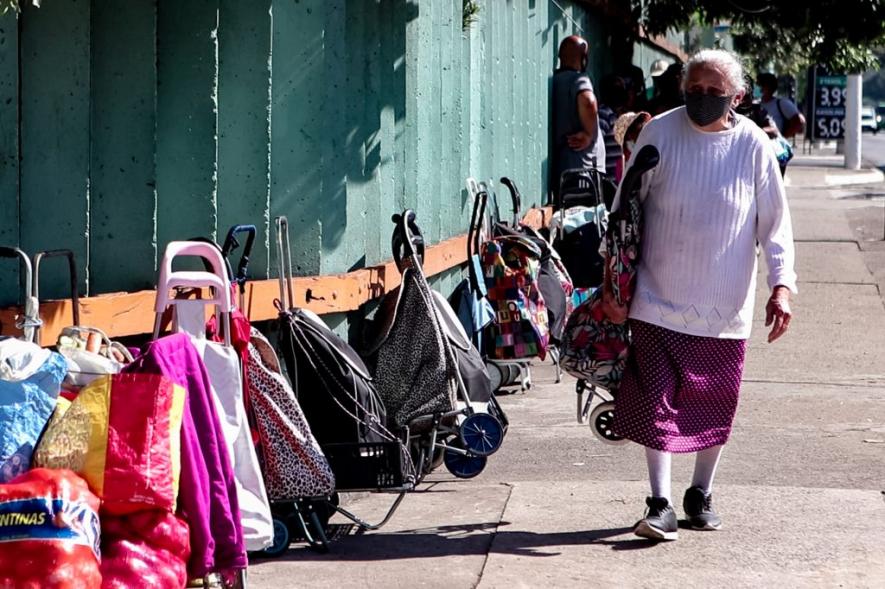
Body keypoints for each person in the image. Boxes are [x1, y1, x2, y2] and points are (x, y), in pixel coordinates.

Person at [603, 49, 797, 541]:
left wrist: (782, 286)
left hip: (724, 305)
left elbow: (775, 224)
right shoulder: (660, 133)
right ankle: (659, 502)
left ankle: (700, 493)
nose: (703, 99)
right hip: (656, 297)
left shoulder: (754, 145)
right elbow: (624, 209)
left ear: (738, 96)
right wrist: (614, 282)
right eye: (695, 90)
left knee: (715, 402)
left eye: (715, 92)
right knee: (655, 403)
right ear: (682, 89)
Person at [551, 35, 606, 199]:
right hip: (584, 170)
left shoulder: (557, 80)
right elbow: (588, 101)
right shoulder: (578, 79)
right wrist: (590, 134)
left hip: (565, 167)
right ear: (584, 57)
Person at [597, 74, 628, 181]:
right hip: (608, 180)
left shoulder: (616, 116)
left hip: (617, 179)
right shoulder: (604, 114)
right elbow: (597, 143)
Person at [757, 73, 805, 139]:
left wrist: (783, 138)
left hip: (774, 146)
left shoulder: (781, 103)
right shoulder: (756, 104)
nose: (761, 88)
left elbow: (800, 121)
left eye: (763, 85)